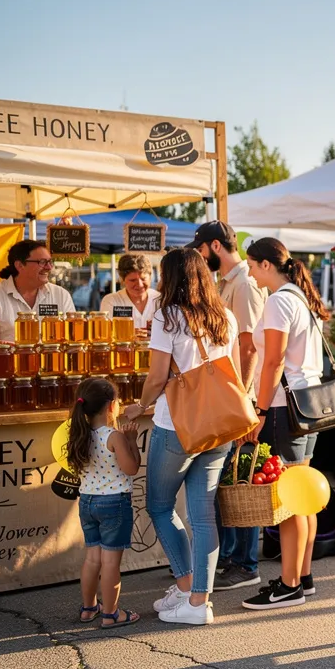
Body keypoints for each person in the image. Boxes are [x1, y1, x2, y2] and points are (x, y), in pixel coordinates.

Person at [128, 248, 238, 626]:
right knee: (203, 515)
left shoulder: (166, 316)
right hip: (220, 424)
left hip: (177, 425)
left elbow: (157, 377)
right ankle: (197, 600)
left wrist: (137, 407)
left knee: (159, 506)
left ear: (170, 277)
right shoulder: (227, 316)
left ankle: (187, 584)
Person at [240, 238, 330, 610]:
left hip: (283, 407)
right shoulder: (298, 298)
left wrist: (259, 412)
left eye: (251, 264)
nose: (248, 271)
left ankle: (290, 584)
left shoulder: (279, 302)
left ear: (265, 265)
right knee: (302, 492)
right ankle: (302, 577)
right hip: (306, 405)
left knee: (290, 497)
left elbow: (273, 362)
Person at [187, 220, 268, 593]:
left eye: (201, 249)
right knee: (225, 483)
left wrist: (243, 399)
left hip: (240, 400)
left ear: (215, 246)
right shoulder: (229, 282)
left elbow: (250, 347)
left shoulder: (245, 285)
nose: (199, 257)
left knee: (240, 482)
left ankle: (245, 563)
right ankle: (231, 558)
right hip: (229, 397)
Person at [68, 377, 141, 629]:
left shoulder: (79, 434)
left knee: (92, 559)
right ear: (112, 406)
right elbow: (131, 468)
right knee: (111, 562)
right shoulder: (114, 437)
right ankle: (111, 614)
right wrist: (131, 441)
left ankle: (89, 609)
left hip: (87, 503)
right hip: (114, 504)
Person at [0, 240, 76, 342]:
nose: (49, 267)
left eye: (50, 262)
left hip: (52, 358)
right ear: (20, 265)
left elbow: (72, 338)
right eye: (42, 262)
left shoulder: (61, 295)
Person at [99, 254, 160, 334]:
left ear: (150, 277)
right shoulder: (111, 301)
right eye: (133, 280)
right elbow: (105, 333)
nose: (139, 284)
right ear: (122, 280)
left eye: (143, 279)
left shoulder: (160, 299)